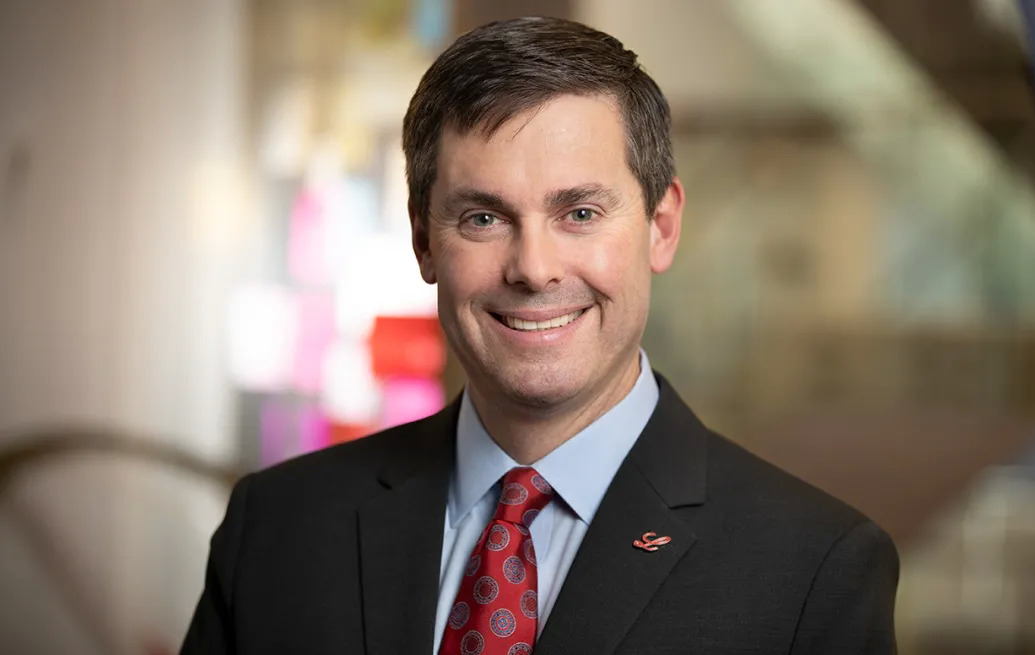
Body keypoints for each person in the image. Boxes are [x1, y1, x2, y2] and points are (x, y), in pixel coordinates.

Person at [182, 16, 898, 655]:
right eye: (484, 218)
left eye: (580, 213)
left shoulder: (813, 570)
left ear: (661, 226)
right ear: (423, 241)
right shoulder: (275, 528)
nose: (533, 268)